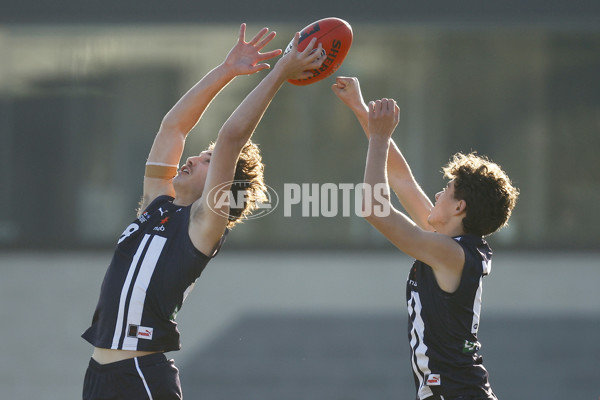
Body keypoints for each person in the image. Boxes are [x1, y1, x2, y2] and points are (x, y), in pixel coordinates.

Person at [81, 24, 325, 400]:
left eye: (208, 160)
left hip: (140, 377)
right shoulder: (156, 205)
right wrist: (226, 70)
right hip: (100, 376)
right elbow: (174, 127)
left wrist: (280, 73)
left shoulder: (205, 224)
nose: (193, 157)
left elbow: (231, 138)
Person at [332, 77, 519, 400]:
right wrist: (362, 112)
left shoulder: (450, 253)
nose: (436, 194)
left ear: (460, 207)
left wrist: (378, 138)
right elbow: (401, 179)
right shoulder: (447, 245)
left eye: (445, 191)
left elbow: (374, 210)